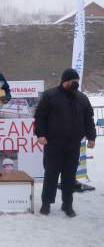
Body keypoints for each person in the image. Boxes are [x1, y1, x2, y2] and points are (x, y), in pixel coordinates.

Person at [34, 68, 96, 217]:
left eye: (77, 82)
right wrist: (40, 134)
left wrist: (91, 137)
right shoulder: (50, 96)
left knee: (69, 177)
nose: (75, 84)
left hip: (73, 145)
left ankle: (67, 204)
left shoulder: (82, 98)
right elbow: (40, 116)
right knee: (51, 175)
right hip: (54, 144)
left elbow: (89, 119)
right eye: (73, 81)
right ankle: (46, 203)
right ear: (65, 81)